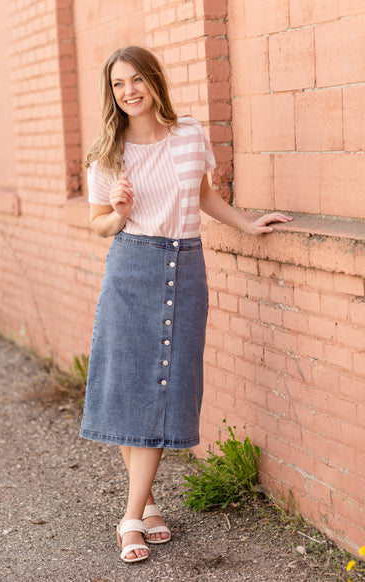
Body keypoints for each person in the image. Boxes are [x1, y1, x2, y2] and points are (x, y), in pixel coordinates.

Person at [80, 45, 293, 564]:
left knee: (163, 383)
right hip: (131, 266)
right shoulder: (108, 152)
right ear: (111, 94)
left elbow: (203, 196)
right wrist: (121, 211)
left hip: (185, 267)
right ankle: (134, 513)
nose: (128, 91)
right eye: (117, 85)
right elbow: (99, 224)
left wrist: (247, 223)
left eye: (136, 80)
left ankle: (145, 504)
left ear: (154, 81)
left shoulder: (190, 135)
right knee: (135, 383)